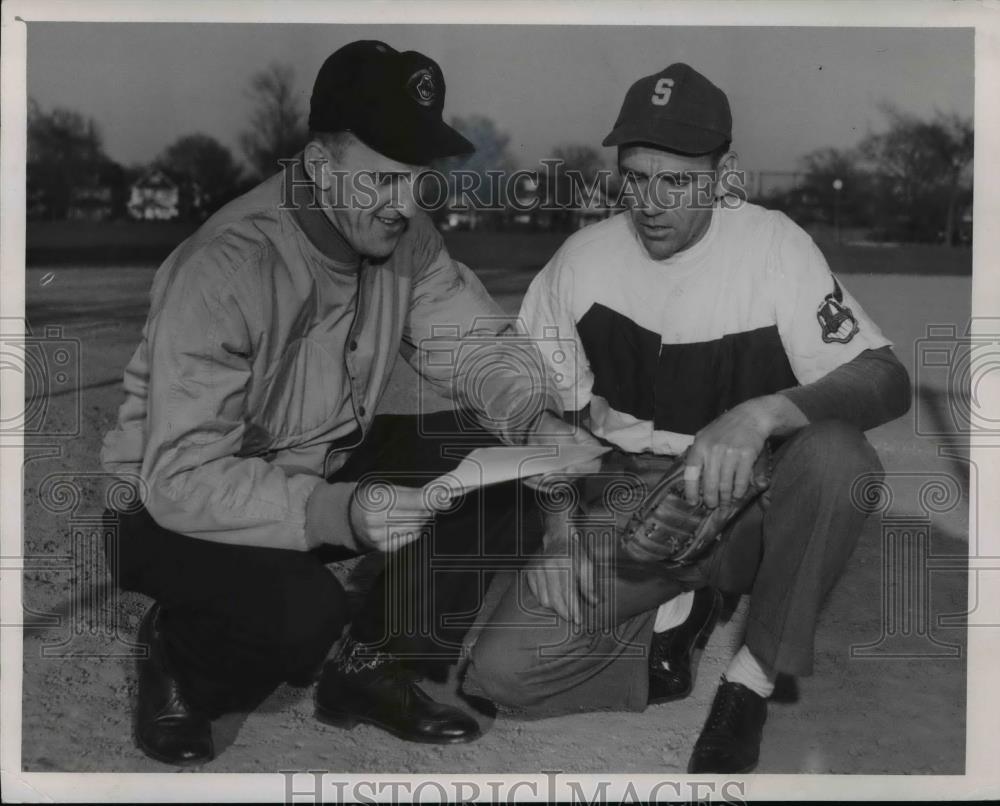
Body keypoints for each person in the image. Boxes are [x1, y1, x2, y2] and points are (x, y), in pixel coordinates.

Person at [101, 40, 592, 766]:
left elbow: (474, 343)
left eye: (418, 180)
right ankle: (179, 658)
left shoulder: (405, 238)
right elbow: (180, 478)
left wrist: (535, 419)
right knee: (302, 617)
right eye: (385, 180)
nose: (406, 204)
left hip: (316, 466)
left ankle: (375, 667)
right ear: (321, 167)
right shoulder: (229, 263)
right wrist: (345, 511)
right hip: (167, 502)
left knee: (507, 467)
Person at [463, 62, 911, 774]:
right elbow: (536, 410)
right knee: (501, 675)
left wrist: (762, 414)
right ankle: (681, 616)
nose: (650, 202)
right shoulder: (582, 262)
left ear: (724, 174)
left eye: (678, 181)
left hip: (754, 496)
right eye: (635, 176)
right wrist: (556, 526)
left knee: (837, 456)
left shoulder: (773, 247)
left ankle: (750, 682)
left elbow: (885, 377)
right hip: (635, 497)